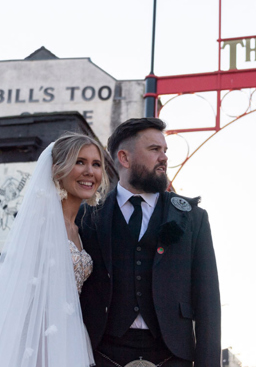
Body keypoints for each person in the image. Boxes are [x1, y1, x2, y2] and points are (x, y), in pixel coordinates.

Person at [78, 118, 221, 367]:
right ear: (124, 158)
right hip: (102, 355)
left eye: (165, 151)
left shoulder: (193, 217)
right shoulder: (87, 217)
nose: (164, 157)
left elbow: (208, 302)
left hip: (173, 356)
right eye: (154, 150)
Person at [0, 132, 109, 367]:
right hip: (39, 342)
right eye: (79, 162)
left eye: (96, 164)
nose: (90, 172)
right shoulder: (42, 224)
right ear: (56, 169)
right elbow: (24, 299)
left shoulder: (78, 228)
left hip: (71, 337)